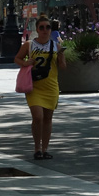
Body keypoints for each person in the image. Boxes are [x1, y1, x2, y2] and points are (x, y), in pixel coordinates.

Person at [15, 16, 67, 160]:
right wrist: (25, 63)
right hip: (34, 86)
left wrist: (62, 55)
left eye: (48, 27)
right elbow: (17, 58)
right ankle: (37, 148)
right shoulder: (29, 45)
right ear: (37, 29)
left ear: (51, 30)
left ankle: (45, 149)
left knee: (48, 118)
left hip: (51, 86)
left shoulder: (56, 46)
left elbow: (63, 67)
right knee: (38, 117)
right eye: (42, 27)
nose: (45, 30)